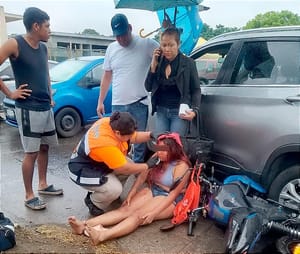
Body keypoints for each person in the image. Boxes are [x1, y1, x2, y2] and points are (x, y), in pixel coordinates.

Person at [68, 132, 191, 245]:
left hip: (169, 198)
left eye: (163, 150)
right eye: (158, 148)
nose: (159, 152)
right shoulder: (157, 156)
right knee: (125, 210)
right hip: (153, 188)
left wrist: (154, 213)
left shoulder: (182, 166)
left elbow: (174, 193)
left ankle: (102, 235)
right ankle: (83, 225)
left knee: (138, 216)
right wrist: (132, 191)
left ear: (173, 150)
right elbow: (143, 175)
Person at [0, 7, 63, 210]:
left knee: (44, 147)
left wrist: (50, 94)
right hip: (28, 107)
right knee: (31, 152)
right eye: (47, 26)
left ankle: (43, 184)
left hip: (45, 106)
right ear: (36, 26)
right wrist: (10, 94)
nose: (49, 30)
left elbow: (45, 74)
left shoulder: (43, 48)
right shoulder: (14, 43)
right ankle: (29, 195)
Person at [68, 111, 160, 216]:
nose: (130, 138)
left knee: (129, 163)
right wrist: (147, 165)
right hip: (82, 171)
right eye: (128, 135)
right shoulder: (104, 143)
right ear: (117, 133)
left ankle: (107, 193)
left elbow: (133, 137)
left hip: (96, 163)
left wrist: (150, 135)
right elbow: (124, 168)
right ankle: (94, 202)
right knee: (115, 189)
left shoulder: (111, 123)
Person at [97, 13, 159, 163]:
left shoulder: (147, 44)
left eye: (123, 34)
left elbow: (169, 52)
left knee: (138, 141)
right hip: (118, 103)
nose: (121, 39)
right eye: (117, 36)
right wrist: (100, 101)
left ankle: (136, 170)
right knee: (117, 139)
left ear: (130, 28)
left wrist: (168, 31)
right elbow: (107, 77)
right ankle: (120, 168)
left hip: (139, 102)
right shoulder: (111, 49)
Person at [145, 27, 201, 136]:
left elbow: (196, 89)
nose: (167, 49)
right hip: (161, 110)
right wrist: (153, 66)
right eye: (164, 45)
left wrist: (194, 110)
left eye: (171, 45)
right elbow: (148, 87)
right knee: (161, 145)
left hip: (179, 112)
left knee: (175, 146)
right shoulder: (158, 62)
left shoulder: (188, 63)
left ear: (178, 44)